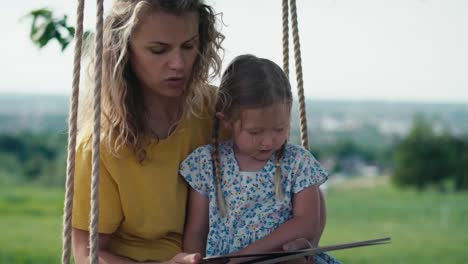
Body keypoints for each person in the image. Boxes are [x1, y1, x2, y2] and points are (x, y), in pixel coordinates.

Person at [71, 0, 328, 263]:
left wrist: (302, 248)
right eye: (159, 50)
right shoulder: (102, 144)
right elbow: (87, 254)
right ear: (122, 52)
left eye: (188, 46)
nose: (179, 64)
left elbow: (300, 188)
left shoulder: (225, 112)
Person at [181, 55, 340, 264]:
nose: (268, 141)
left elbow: (307, 223)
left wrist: (241, 258)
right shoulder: (206, 163)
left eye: (279, 129)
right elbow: (196, 230)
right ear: (226, 121)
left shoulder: (298, 162)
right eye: (255, 132)